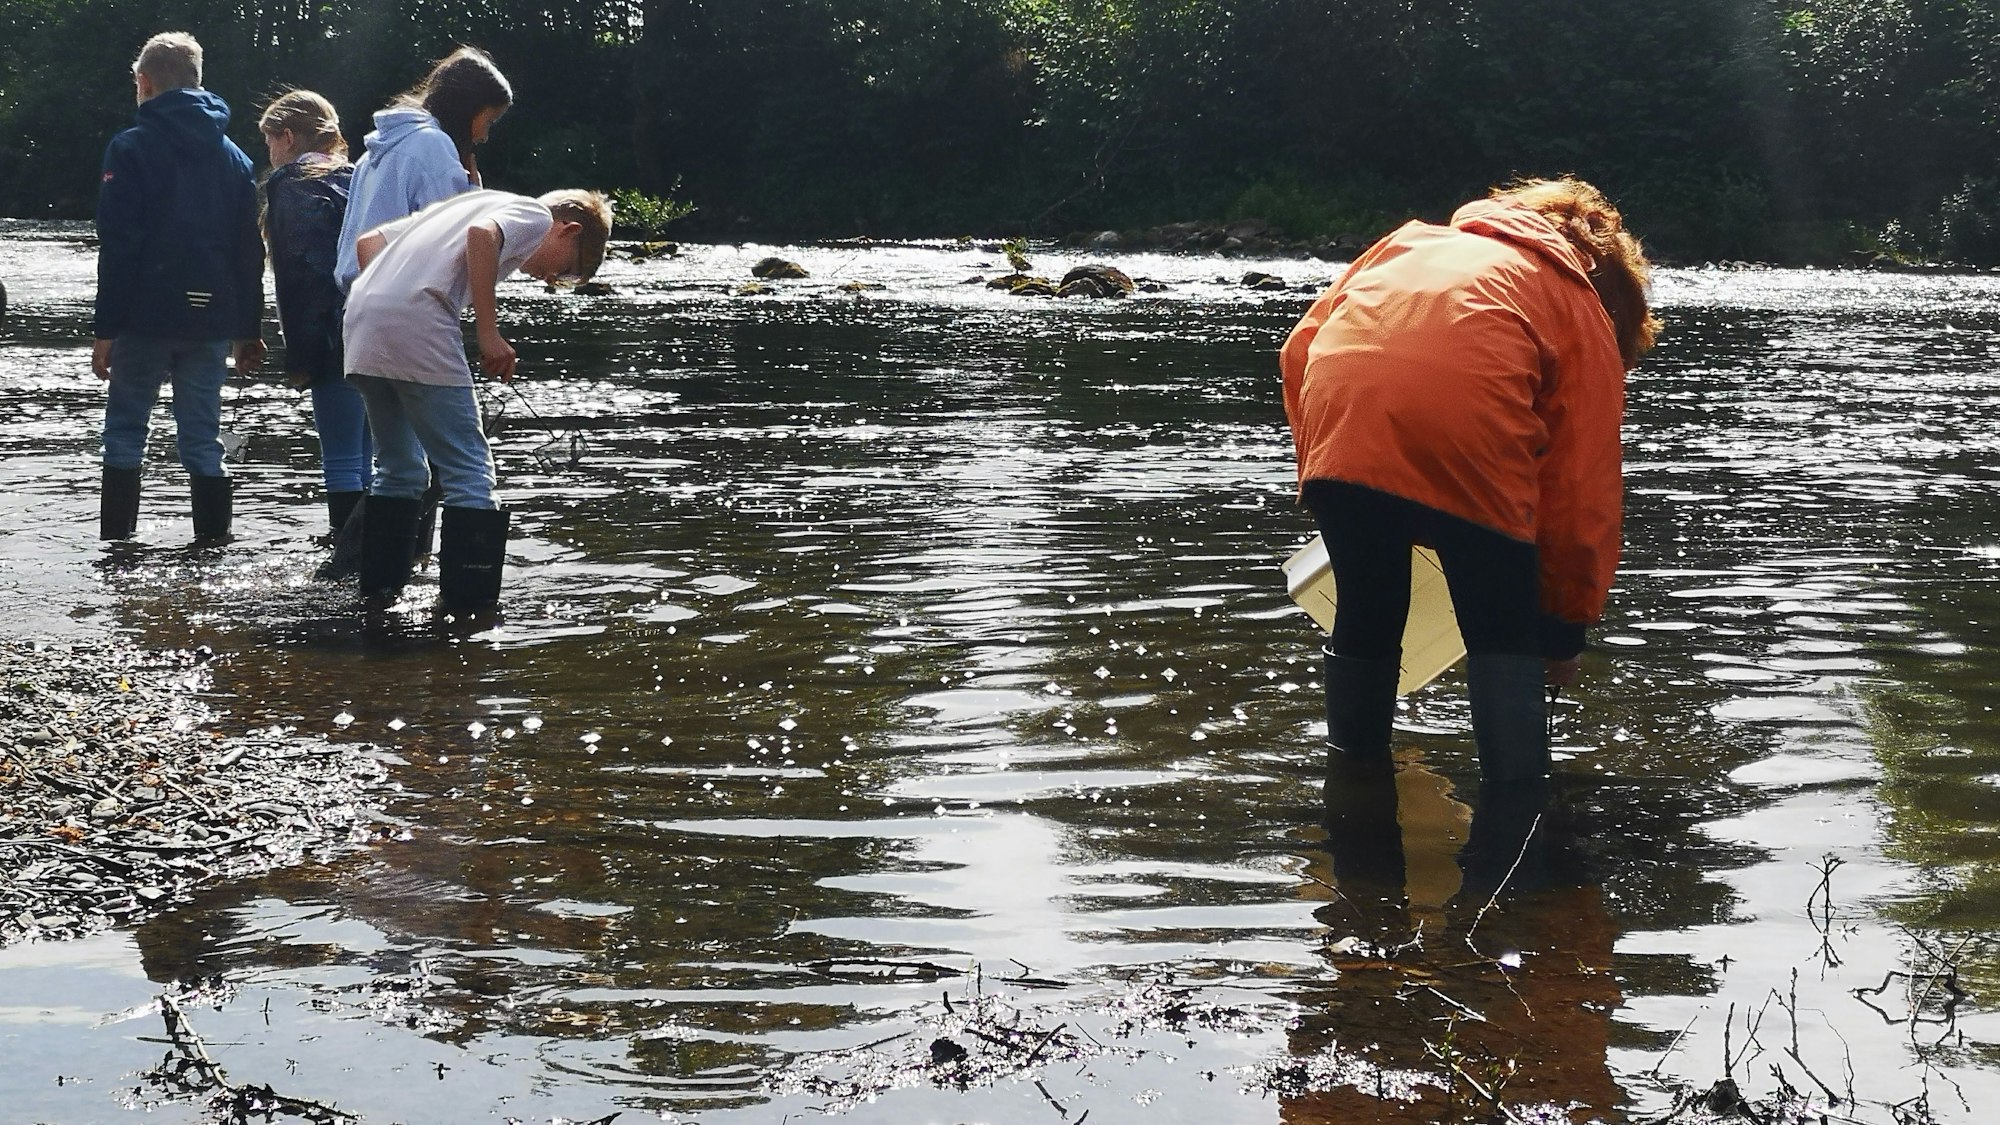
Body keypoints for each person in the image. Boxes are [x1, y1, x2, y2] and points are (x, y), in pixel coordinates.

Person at [1280, 177, 1659, 785]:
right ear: (1608, 282)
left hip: (1342, 432)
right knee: (1502, 631)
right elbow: (1581, 492)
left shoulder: (1405, 245)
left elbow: (1301, 350)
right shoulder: (1573, 300)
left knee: (1368, 611)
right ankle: (1518, 818)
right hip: (1467, 450)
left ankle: (1354, 791)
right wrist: (1562, 631)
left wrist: (1326, 470)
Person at [343, 188, 611, 610]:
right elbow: (482, 236)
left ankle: (377, 597)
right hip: (418, 322)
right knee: (470, 471)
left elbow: (369, 244)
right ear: (569, 230)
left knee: (399, 470)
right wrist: (488, 333)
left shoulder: (465, 202)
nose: (552, 280)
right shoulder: (534, 214)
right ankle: (469, 612)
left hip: (363, 322)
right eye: (567, 271)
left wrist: (395, 308)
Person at [92, 31, 264, 541]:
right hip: (210, 321)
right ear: (197, 81)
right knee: (204, 441)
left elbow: (119, 246)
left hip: (144, 318)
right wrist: (246, 328)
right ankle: (212, 551)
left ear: (143, 83)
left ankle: (117, 555)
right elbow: (247, 254)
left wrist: (106, 329)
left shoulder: (129, 148)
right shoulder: (235, 157)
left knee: (125, 433)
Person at [259, 90, 366, 537]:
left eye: (269, 142)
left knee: (341, 460)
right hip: (378, 326)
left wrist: (304, 360)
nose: (268, 153)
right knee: (374, 460)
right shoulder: (359, 174)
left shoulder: (293, 184)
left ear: (286, 137)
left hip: (332, 335)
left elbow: (304, 276)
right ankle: (382, 563)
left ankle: (346, 564)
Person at [334, 46, 512, 292]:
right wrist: (473, 191)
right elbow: (450, 240)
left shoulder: (375, 149)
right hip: (401, 299)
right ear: (468, 109)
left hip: (358, 300)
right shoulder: (434, 145)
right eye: (489, 121)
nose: (485, 136)